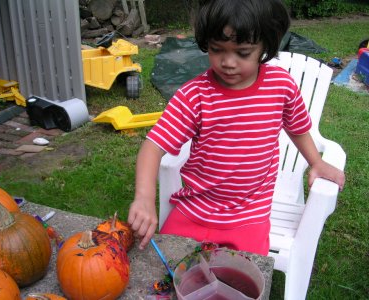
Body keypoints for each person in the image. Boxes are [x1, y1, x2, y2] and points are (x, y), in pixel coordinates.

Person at [128, 0, 345, 255]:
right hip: (195, 210)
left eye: (243, 52)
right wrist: (143, 197)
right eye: (217, 49)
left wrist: (316, 162)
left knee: (239, 282)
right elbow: (153, 147)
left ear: (265, 46)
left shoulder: (280, 86)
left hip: (249, 217)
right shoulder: (194, 96)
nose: (228, 62)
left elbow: (296, 126)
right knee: (166, 272)